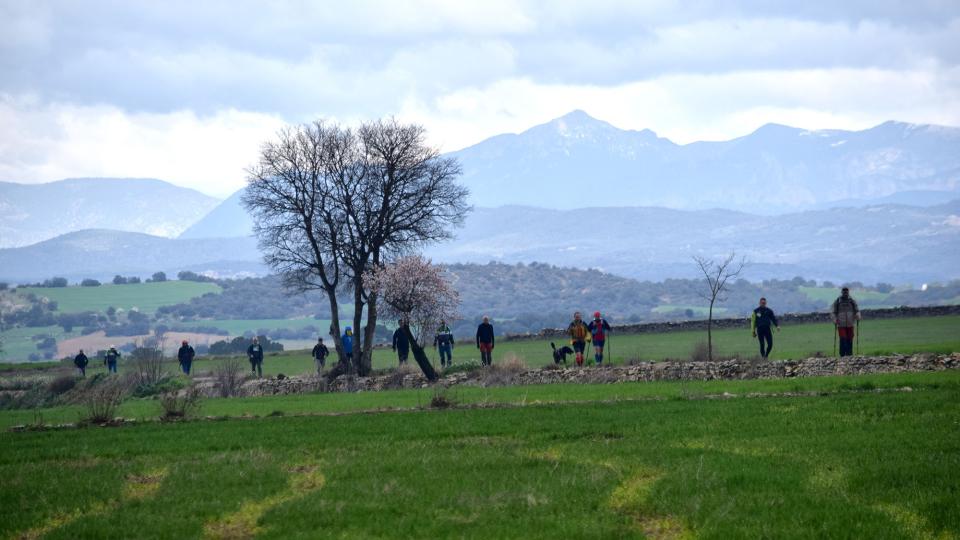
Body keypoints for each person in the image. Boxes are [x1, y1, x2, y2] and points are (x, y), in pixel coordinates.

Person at [832, 287, 861, 357]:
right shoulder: (838, 301)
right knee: (843, 339)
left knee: (850, 339)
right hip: (841, 324)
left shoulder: (852, 301)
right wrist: (834, 319)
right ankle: (842, 355)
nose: (845, 293)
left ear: (848, 292)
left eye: (846, 292)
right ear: (842, 292)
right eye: (844, 292)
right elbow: (833, 312)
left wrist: (858, 315)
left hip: (850, 323)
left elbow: (857, 310)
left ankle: (849, 354)